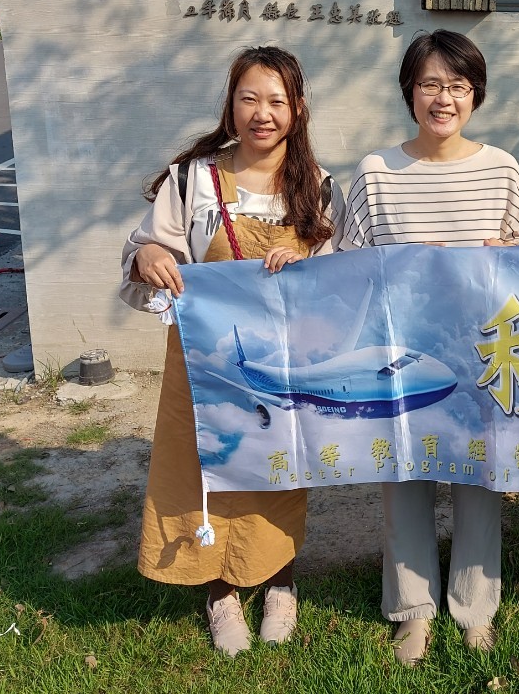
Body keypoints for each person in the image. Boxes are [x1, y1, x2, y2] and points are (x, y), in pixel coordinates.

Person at [120, 45, 345, 657]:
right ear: (231, 105)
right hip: (204, 362)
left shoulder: (319, 187)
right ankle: (218, 590)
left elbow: (338, 280)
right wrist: (150, 255)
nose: (262, 114)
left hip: (281, 364)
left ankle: (279, 581)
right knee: (207, 467)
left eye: (276, 101)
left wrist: (306, 266)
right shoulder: (191, 179)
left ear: (298, 109)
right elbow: (145, 250)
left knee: (279, 467)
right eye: (249, 99)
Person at [340, 29, 519, 666]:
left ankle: (476, 607)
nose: (443, 99)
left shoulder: (502, 168)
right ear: (409, 92)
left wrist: (503, 258)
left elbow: (517, 260)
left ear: (476, 95)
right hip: (399, 351)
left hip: (479, 351)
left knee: (480, 475)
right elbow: (351, 266)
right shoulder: (375, 172)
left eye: (457, 86)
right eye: (429, 85)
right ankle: (412, 610)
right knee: (406, 478)